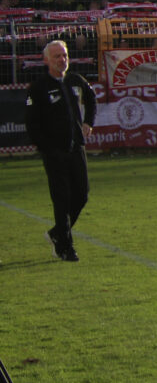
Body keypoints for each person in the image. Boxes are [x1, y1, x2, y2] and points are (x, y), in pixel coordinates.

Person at [25, 39, 96, 262]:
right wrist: (45, 147)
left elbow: (92, 99)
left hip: (77, 148)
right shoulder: (38, 88)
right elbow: (31, 122)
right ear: (46, 60)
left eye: (64, 55)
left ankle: (57, 232)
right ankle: (66, 247)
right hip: (54, 151)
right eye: (57, 56)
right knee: (61, 198)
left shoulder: (76, 80)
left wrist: (88, 122)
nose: (62, 60)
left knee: (82, 194)